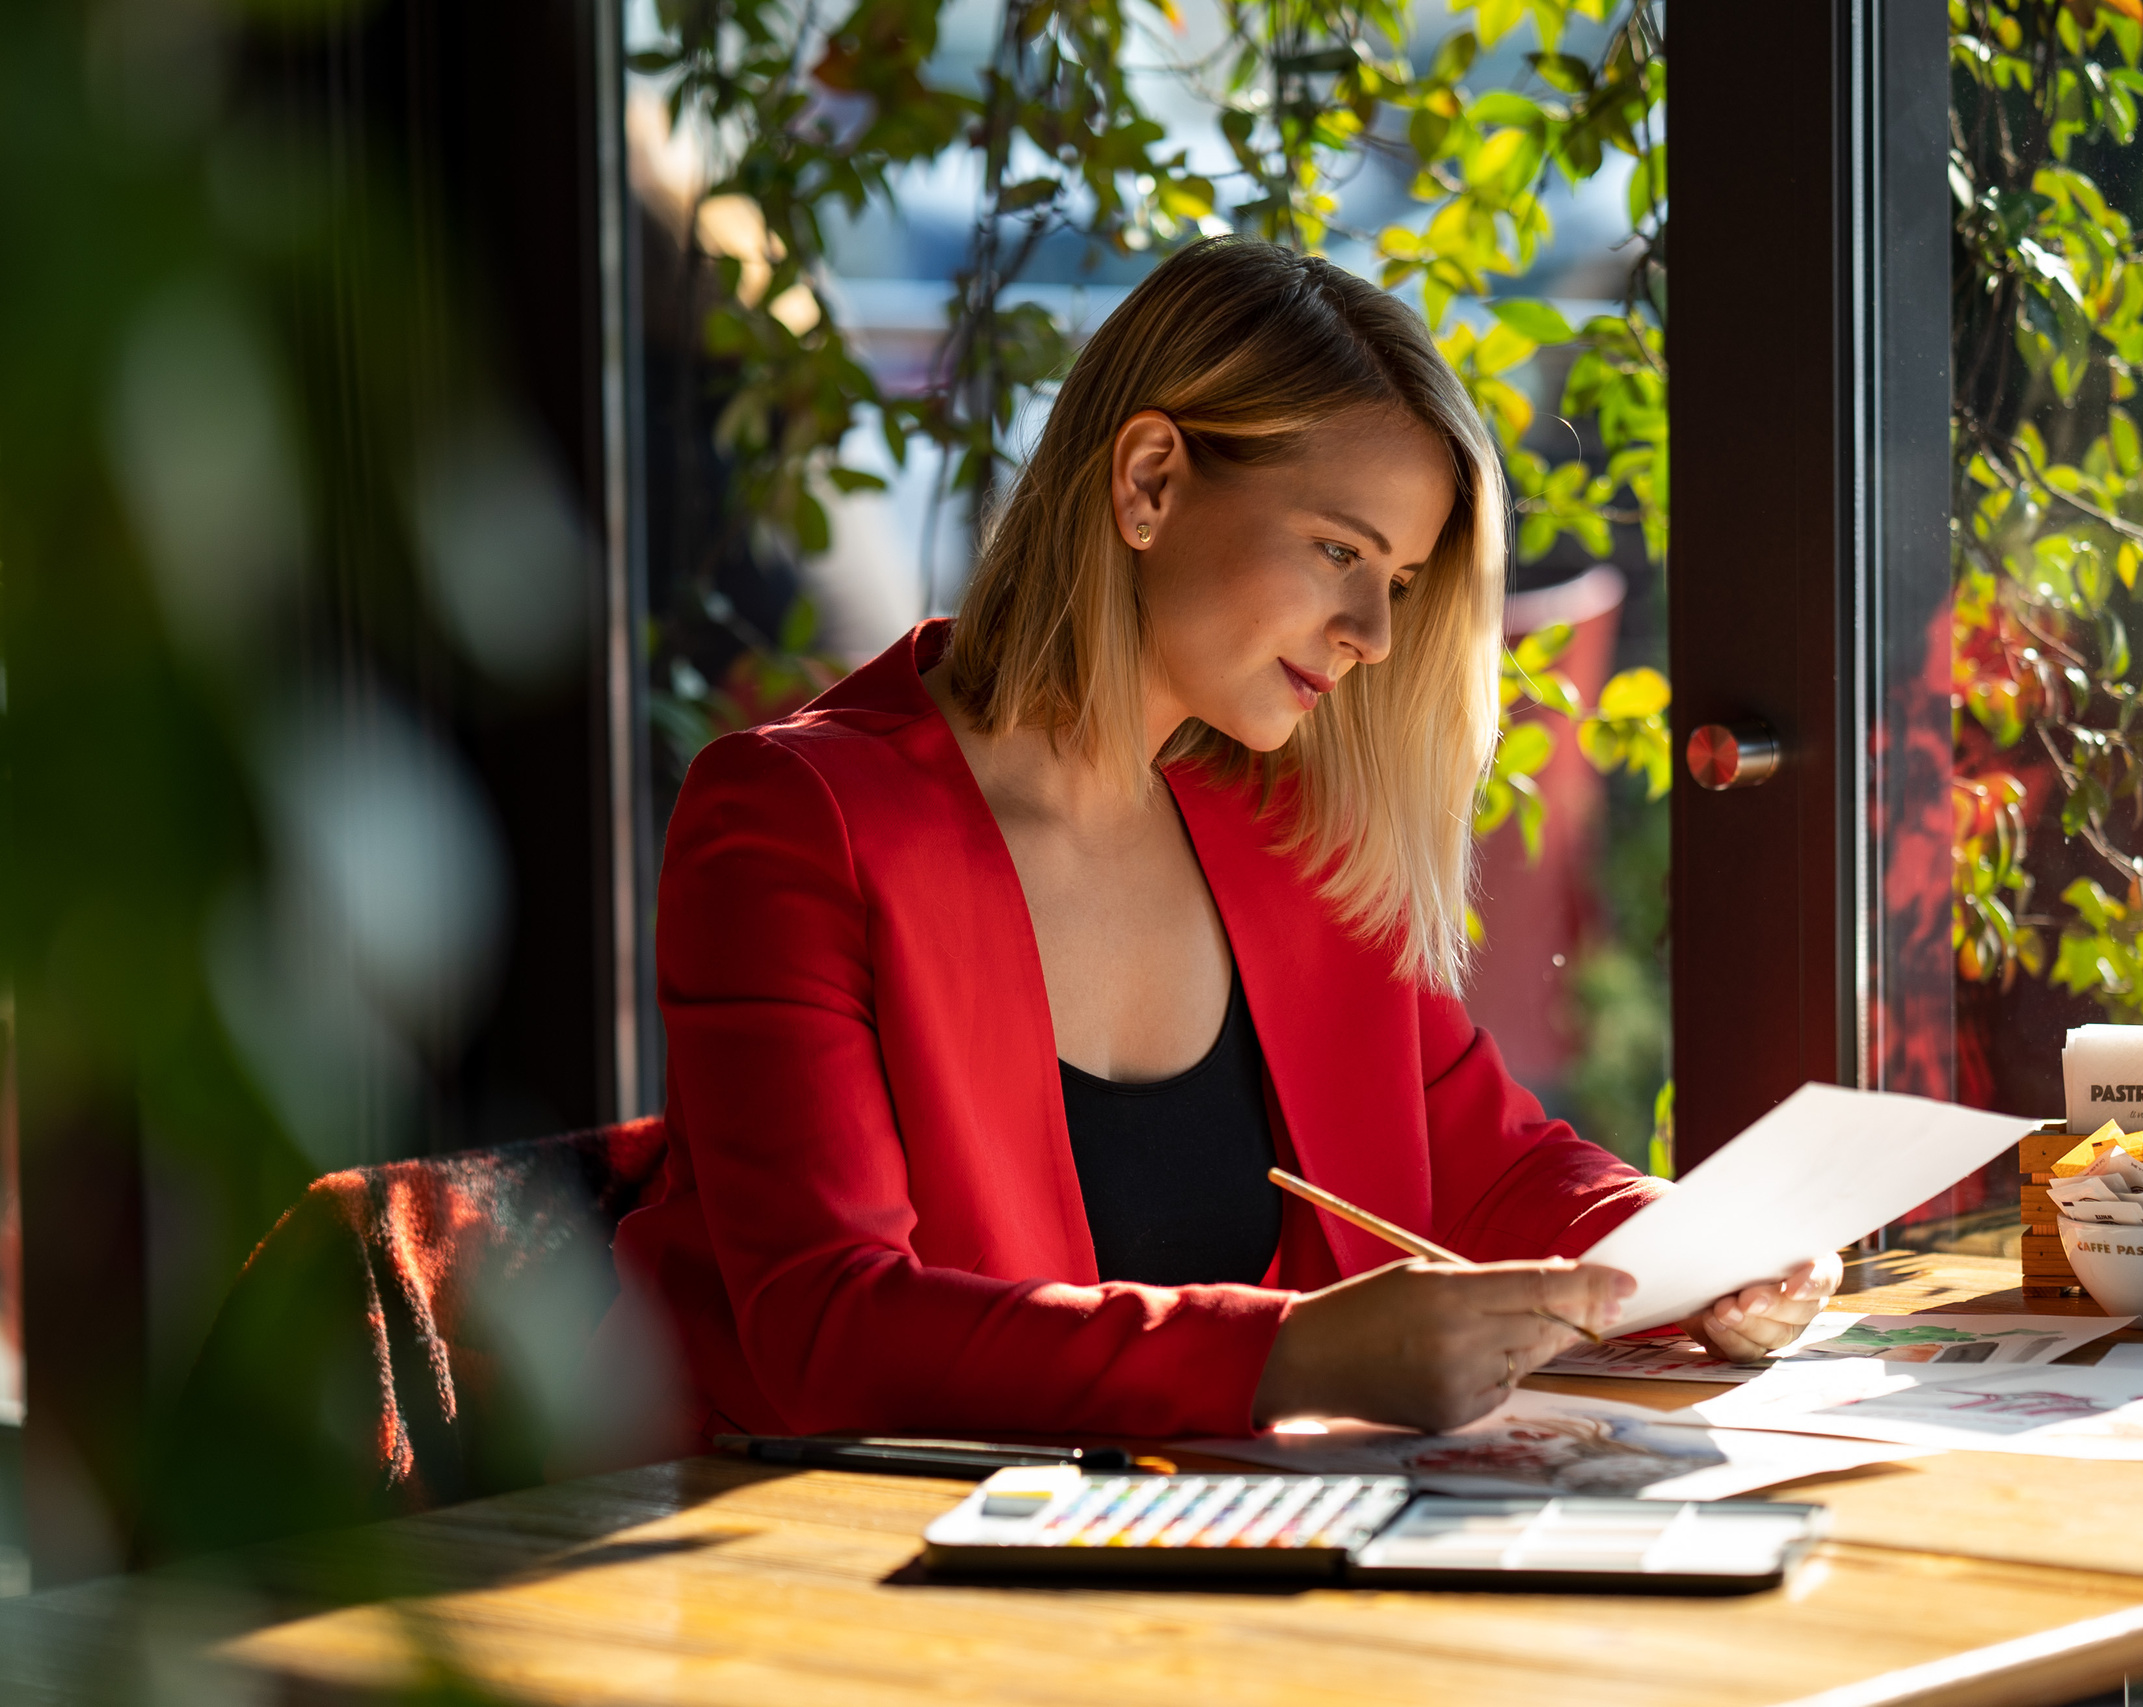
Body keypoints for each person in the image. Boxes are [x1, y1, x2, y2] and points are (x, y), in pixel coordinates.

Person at [608, 238, 1840, 1446]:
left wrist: (1698, 1253)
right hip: (833, 1547)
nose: (1372, 634)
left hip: (1217, 1528)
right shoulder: (795, 822)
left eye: (1401, 582)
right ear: (1148, 482)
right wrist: (1288, 1356)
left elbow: (1486, 1160)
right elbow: (828, 1324)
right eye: (1339, 551)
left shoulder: (1284, 821)